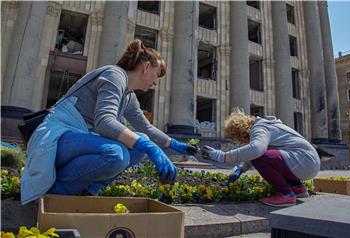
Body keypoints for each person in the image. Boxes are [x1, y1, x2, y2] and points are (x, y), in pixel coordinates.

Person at [21, 39, 197, 204]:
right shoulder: (115, 75)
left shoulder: (128, 96)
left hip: (80, 142)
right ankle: (54, 193)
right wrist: (149, 146)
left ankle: (88, 192)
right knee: (116, 154)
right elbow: (104, 122)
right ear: (146, 67)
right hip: (57, 139)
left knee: (139, 142)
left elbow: (146, 127)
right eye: (157, 75)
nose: (156, 82)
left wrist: (173, 144)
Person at [202, 109, 320, 207]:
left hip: (304, 162)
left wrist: (221, 156)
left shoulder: (259, 128)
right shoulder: (265, 125)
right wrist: (241, 168)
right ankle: (298, 188)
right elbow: (262, 151)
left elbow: (256, 151)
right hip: (308, 163)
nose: (240, 141)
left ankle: (287, 195)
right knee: (271, 157)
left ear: (239, 132)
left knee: (260, 157)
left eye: (236, 138)